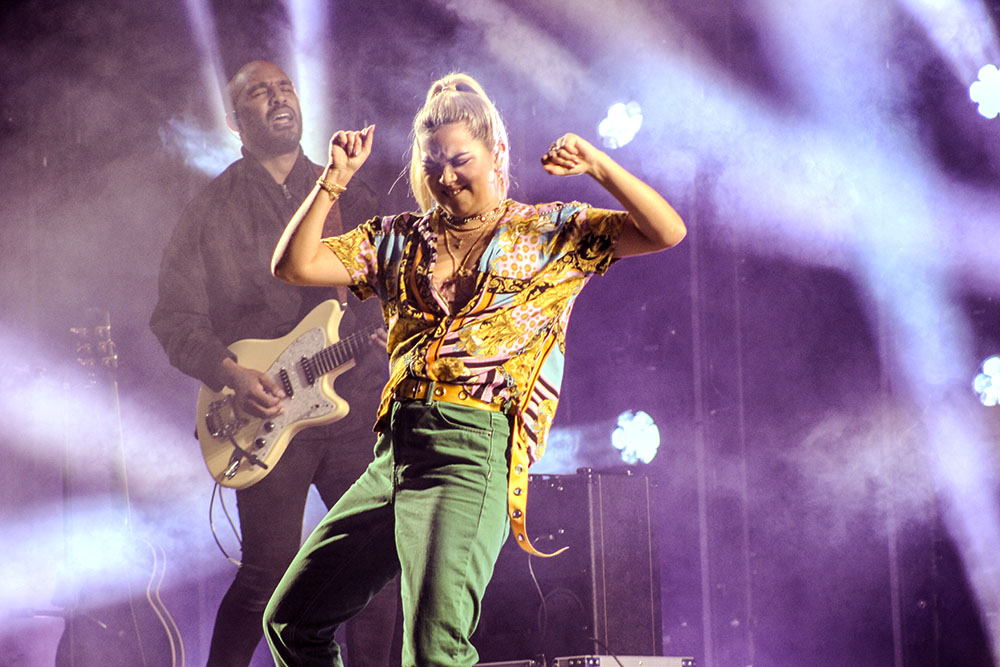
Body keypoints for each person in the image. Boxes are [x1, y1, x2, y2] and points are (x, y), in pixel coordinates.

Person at [263, 72, 687, 666]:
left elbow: (667, 231)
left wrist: (597, 164)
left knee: (433, 650)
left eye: (460, 160)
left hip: (472, 448)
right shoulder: (399, 239)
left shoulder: (551, 232)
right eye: (433, 163)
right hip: (394, 454)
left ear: (497, 154)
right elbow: (295, 265)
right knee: (291, 620)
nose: (446, 176)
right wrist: (331, 182)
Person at [149, 60, 398, 667]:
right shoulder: (210, 211)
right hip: (266, 413)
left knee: (378, 570)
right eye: (258, 93)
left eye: (284, 86)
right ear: (235, 122)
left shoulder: (355, 195)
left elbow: (393, 283)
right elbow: (175, 318)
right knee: (267, 572)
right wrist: (230, 373)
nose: (276, 97)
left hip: (355, 405)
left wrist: (401, 329)